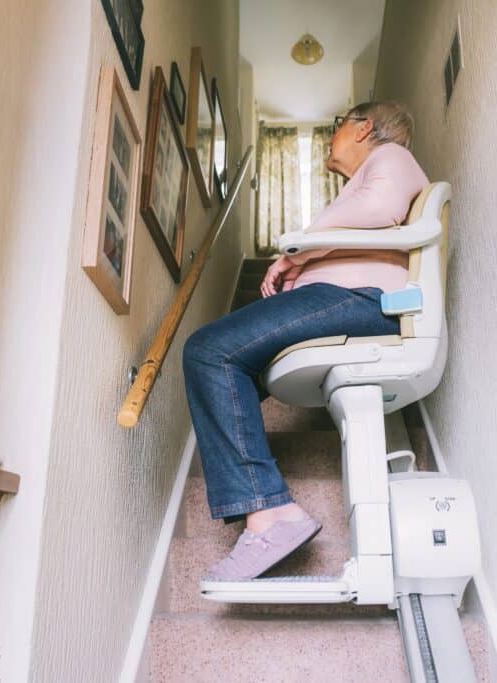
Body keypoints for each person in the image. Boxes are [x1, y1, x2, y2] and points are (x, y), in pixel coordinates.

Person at [182, 101, 430, 580]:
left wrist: (296, 250)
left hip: (359, 298)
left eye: (339, 126)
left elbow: (378, 209)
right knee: (227, 367)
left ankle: (271, 513)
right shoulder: (372, 174)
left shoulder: (392, 156)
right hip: (351, 298)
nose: (332, 138)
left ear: (365, 128)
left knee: (209, 350)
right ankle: (266, 510)